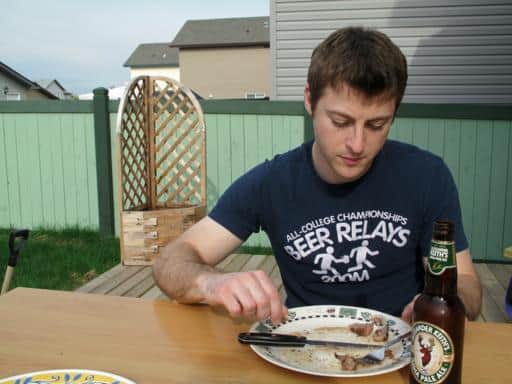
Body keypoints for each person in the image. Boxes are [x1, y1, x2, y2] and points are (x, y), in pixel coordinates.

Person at [153, 26, 482, 325]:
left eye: (376, 125)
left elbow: (468, 286)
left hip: (400, 350)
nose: (357, 144)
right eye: (340, 122)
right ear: (309, 100)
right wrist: (211, 282)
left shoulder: (426, 175)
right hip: (305, 351)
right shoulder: (272, 183)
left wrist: (441, 304)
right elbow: (170, 262)